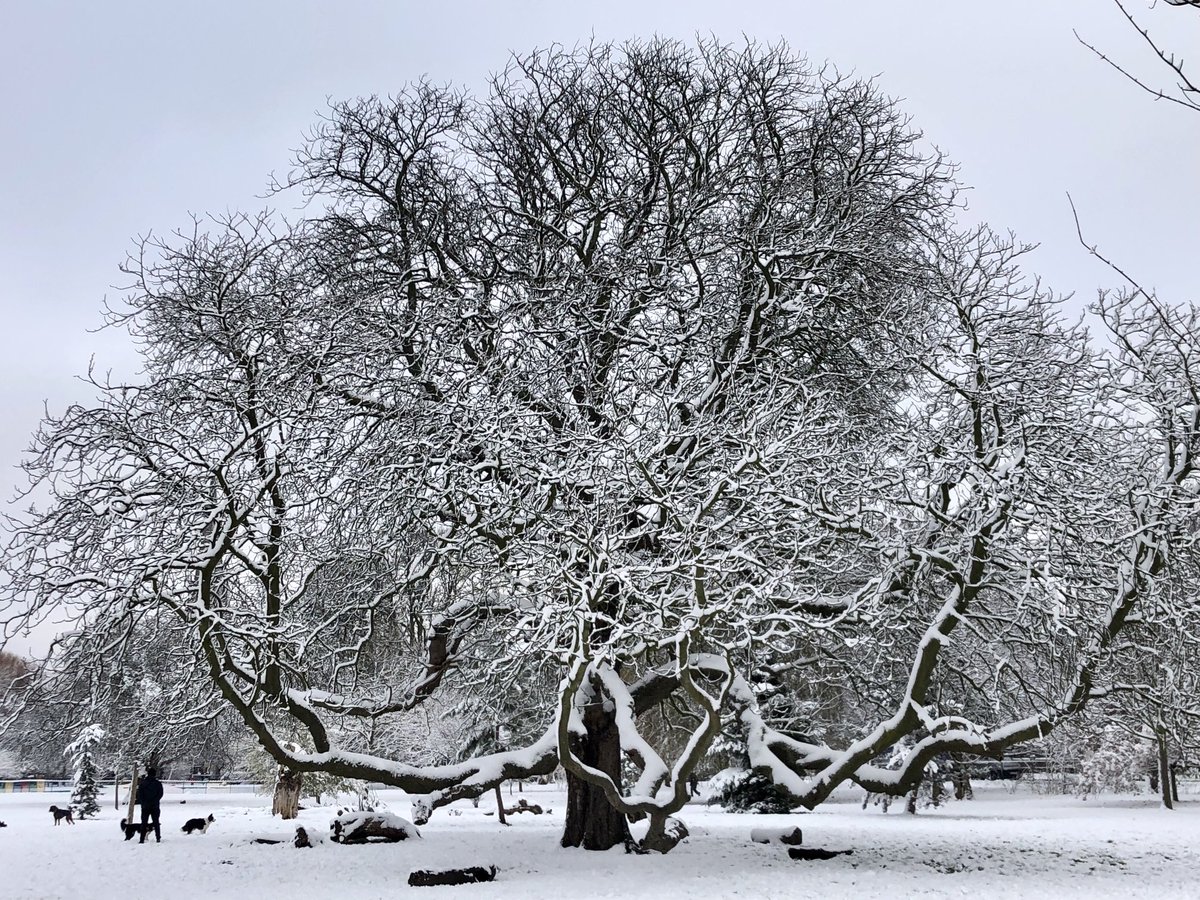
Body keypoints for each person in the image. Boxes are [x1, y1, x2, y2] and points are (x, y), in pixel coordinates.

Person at [136, 766, 164, 843]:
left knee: (144, 823)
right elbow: (160, 794)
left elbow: (140, 794)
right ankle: (158, 838)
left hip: (145, 806)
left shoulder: (143, 783)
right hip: (155, 806)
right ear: (155, 774)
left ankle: (142, 839)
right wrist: (155, 800)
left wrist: (143, 802)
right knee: (156, 822)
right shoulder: (158, 784)